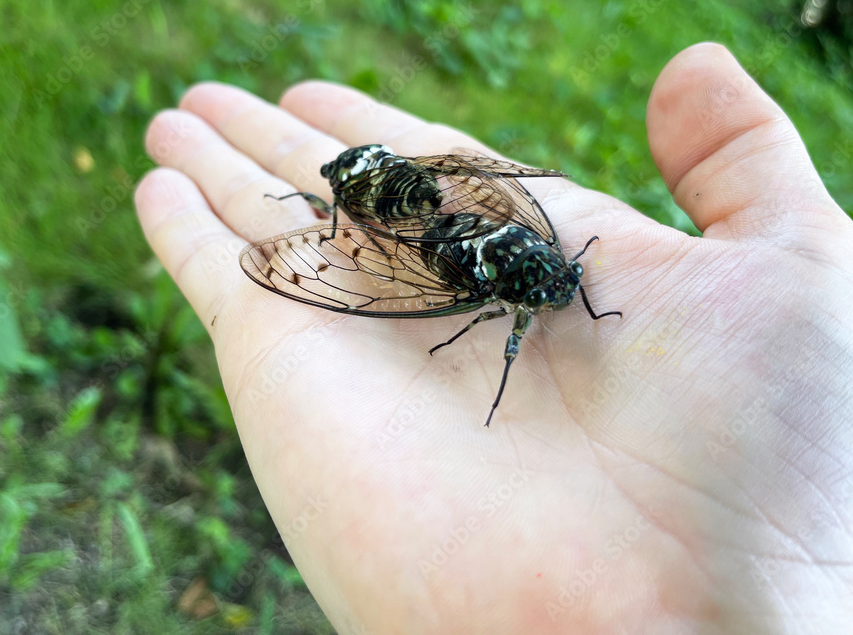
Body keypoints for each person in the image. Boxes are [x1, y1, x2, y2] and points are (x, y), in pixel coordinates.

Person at [135, 43, 853, 633]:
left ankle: (362, 189)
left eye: (560, 284)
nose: (561, 293)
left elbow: (557, 273)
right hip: (429, 242)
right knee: (413, 274)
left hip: (437, 202)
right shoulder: (495, 293)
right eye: (543, 290)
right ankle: (354, 192)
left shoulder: (546, 260)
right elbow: (489, 296)